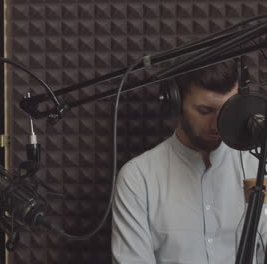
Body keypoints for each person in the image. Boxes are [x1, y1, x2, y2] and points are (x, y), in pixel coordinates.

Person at [111, 60, 267, 263]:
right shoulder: (138, 178)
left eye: (226, 110)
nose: (217, 125)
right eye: (205, 111)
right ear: (176, 103)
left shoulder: (258, 166)